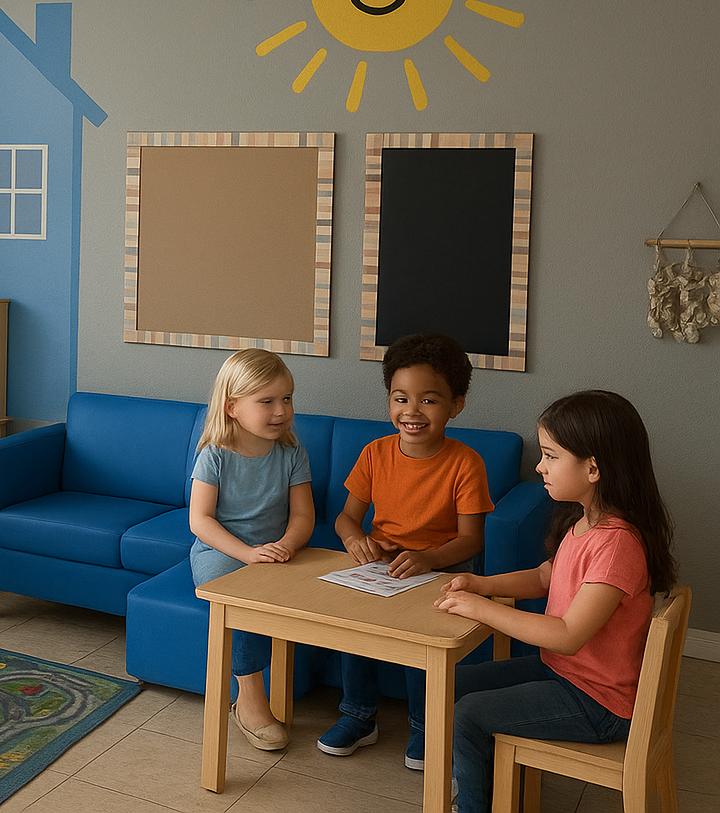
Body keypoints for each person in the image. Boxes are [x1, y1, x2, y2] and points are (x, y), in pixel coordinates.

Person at [436, 390, 677, 813]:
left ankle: (474, 805)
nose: (539, 465)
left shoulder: (617, 545)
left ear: (593, 468)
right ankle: (492, 789)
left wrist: (481, 609)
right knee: (453, 686)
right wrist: (480, 584)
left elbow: (567, 636)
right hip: (566, 674)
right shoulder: (584, 522)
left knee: (470, 712)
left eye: (550, 456)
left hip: (598, 700)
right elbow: (547, 577)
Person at [319, 332, 494, 770]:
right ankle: (358, 716)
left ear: (456, 405)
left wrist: (429, 558)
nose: (411, 412)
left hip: (443, 568)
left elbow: (472, 540)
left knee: (423, 637)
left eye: (429, 401)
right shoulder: (375, 453)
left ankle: (425, 726)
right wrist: (355, 539)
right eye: (400, 399)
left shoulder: (465, 463)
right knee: (352, 625)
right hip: (384, 566)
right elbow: (344, 518)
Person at [189, 348, 315, 752]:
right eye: (267, 401)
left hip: (274, 553)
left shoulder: (292, 454)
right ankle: (250, 701)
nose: (281, 411)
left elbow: (302, 518)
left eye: (287, 399)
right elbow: (201, 521)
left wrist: (285, 545)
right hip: (221, 551)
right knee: (242, 602)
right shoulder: (214, 455)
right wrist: (246, 553)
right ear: (232, 407)